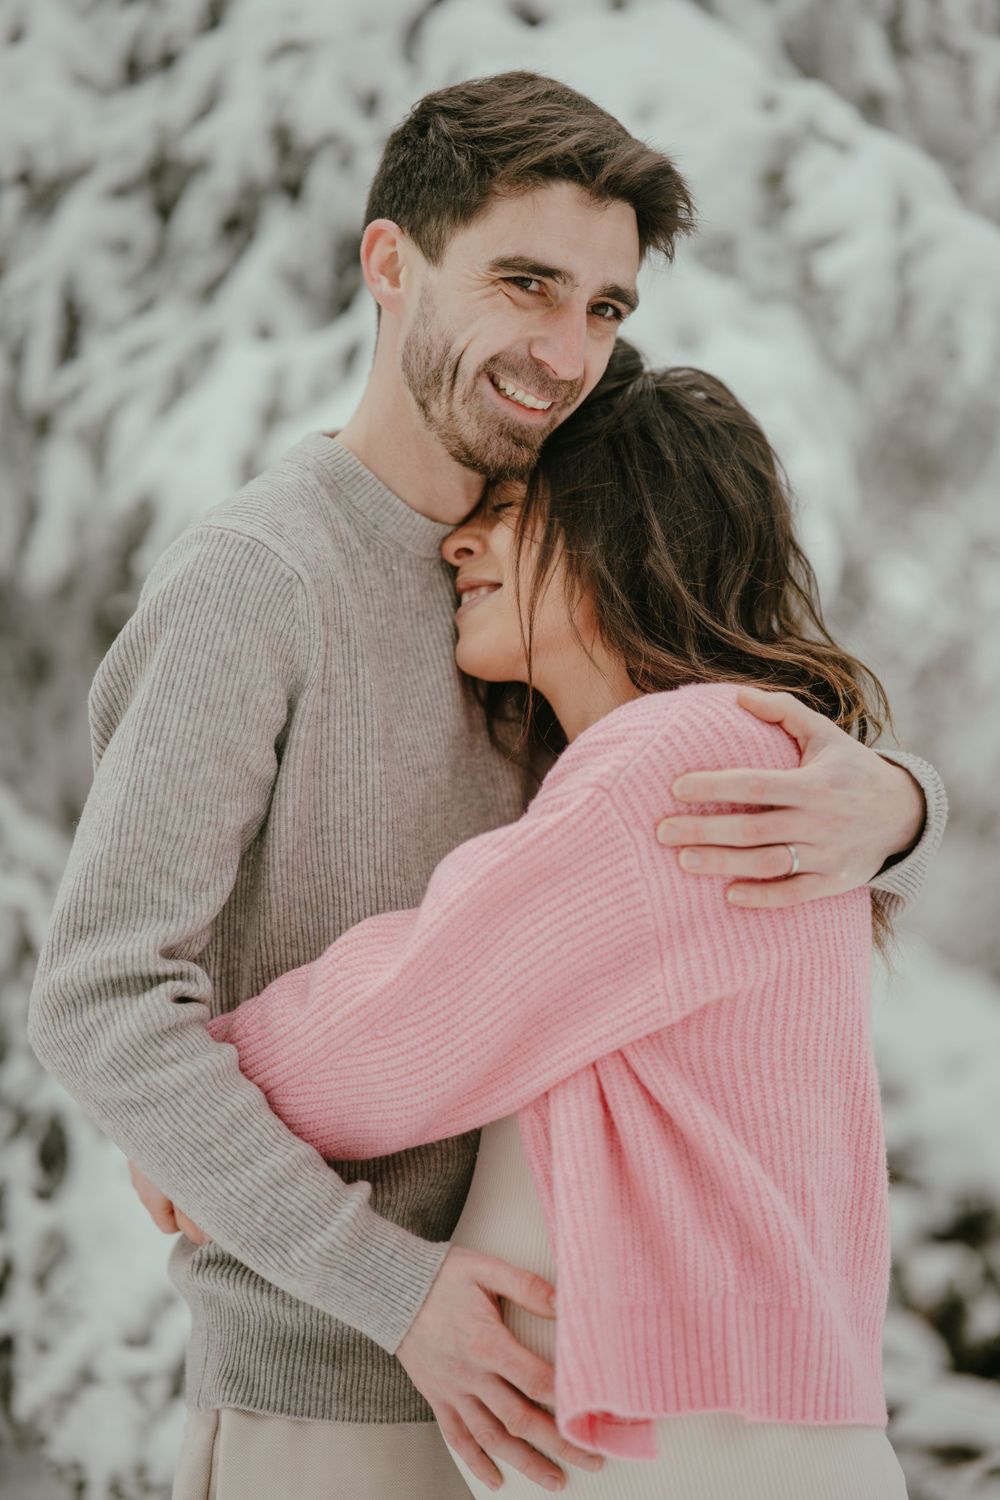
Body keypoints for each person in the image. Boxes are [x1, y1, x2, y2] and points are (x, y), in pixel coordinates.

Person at [27, 74, 944, 1500]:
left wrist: (896, 800)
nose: (569, 347)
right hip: (344, 1392)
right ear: (392, 266)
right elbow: (99, 998)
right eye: (526, 283)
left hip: (559, 1400)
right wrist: (380, 1280)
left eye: (607, 306)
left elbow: (682, 797)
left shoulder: (554, 596)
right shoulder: (258, 579)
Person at [204, 343, 917, 1497]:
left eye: (514, 511)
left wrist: (194, 1101)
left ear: (627, 532)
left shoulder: (679, 757)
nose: (459, 542)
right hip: (712, 1444)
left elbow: (406, 1023)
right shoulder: (724, 755)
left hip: (701, 1455)